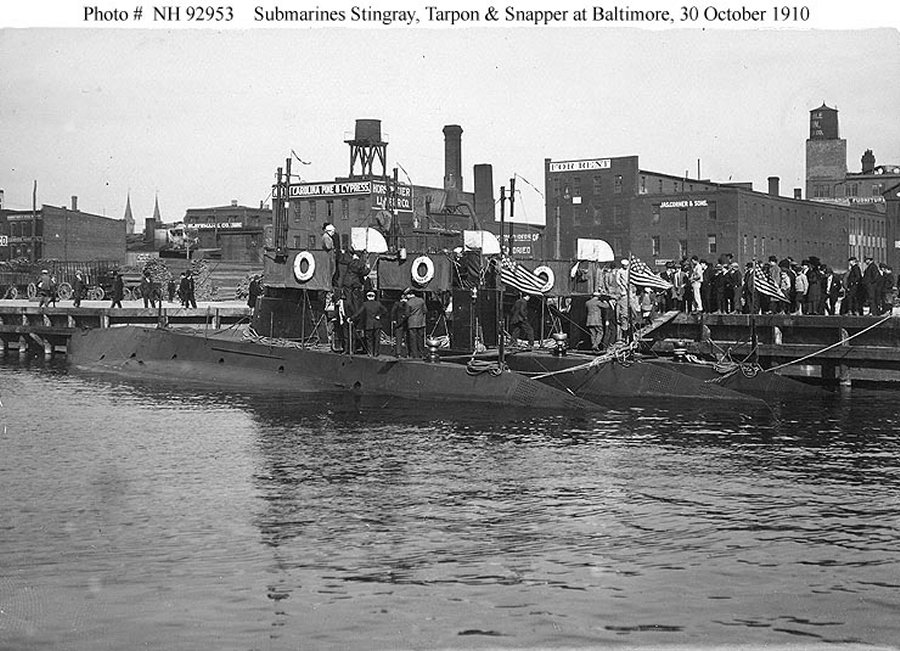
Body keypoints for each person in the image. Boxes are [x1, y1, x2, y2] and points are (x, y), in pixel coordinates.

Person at [352, 290, 386, 356]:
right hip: (377, 324)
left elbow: (358, 313)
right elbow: (385, 311)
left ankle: (370, 352)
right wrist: (379, 315)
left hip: (369, 324)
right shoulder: (378, 304)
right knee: (376, 339)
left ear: (367, 297)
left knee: (369, 339)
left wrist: (351, 318)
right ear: (374, 297)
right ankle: (376, 353)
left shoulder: (365, 304)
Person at [405, 289, 427, 359]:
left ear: (409, 295)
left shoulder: (408, 303)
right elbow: (425, 310)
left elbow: (407, 314)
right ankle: (422, 353)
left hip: (412, 323)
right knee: (420, 339)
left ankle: (414, 355)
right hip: (421, 322)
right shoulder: (421, 300)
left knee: (413, 339)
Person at [391, 291, 409, 357]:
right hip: (399, 323)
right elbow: (393, 312)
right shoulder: (397, 303)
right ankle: (398, 353)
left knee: (406, 339)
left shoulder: (408, 303)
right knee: (399, 338)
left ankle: (407, 353)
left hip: (406, 323)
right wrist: (394, 320)